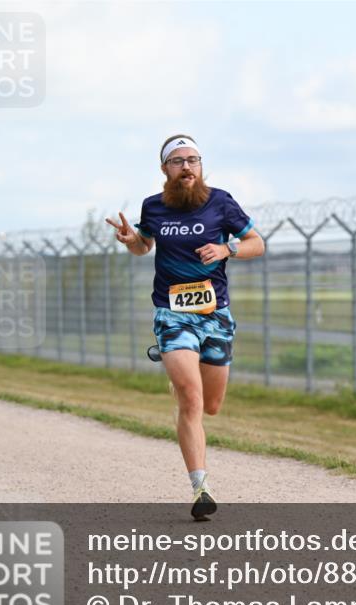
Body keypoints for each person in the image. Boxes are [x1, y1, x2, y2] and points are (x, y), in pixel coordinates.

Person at [106, 134, 265, 521]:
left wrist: (227, 249)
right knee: (190, 398)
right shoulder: (154, 207)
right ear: (165, 169)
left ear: (201, 165)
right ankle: (201, 488)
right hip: (171, 312)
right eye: (178, 161)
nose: (187, 167)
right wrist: (132, 241)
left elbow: (257, 243)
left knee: (210, 405)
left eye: (193, 160)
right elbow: (144, 245)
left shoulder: (220, 202)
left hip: (215, 314)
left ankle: (182, 374)